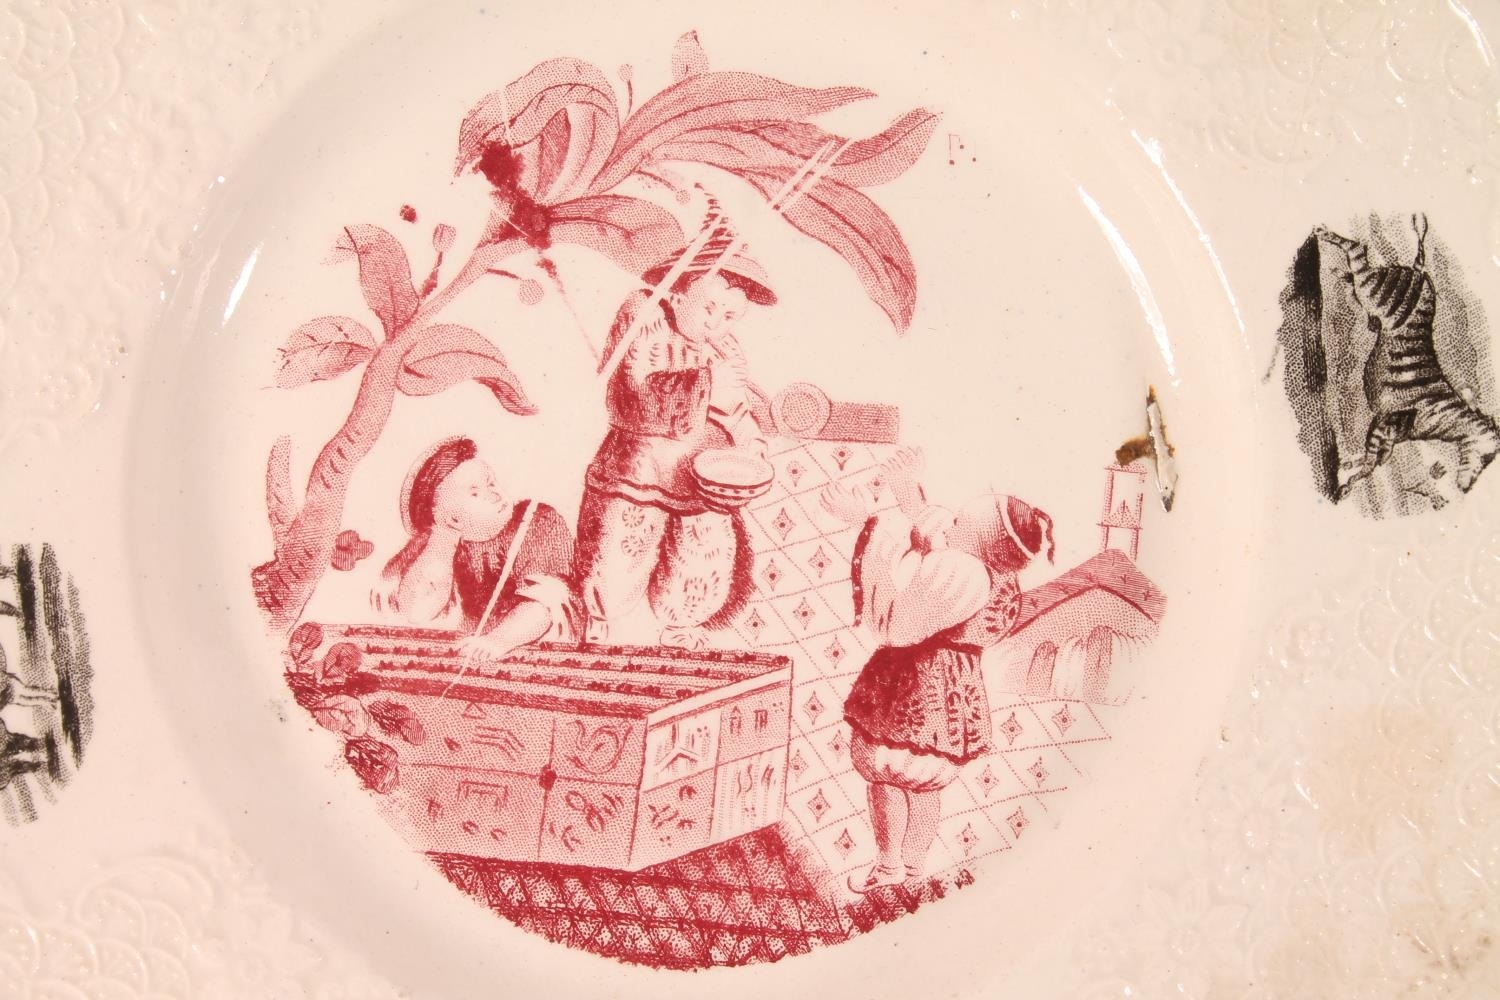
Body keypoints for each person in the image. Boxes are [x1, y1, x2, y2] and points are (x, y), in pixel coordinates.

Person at [822, 448, 1055, 891]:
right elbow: (936, 529)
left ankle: (892, 866)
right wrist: (905, 486)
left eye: (961, 523)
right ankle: (912, 868)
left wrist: (868, 522)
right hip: (954, 692)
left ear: (983, 543)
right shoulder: (993, 570)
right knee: (925, 785)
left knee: (888, 775)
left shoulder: (962, 572)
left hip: (914, 685)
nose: (949, 523)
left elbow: (894, 626)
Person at [575, 216, 775, 647]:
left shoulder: (725, 347)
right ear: (678, 292)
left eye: (729, 316)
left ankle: (681, 628)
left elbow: (737, 406)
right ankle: (600, 621)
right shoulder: (643, 316)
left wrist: (752, 444)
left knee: (698, 559)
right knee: (617, 560)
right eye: (708, 308)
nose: (716, 324)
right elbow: (632, 393)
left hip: (701, 477)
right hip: (638, 469)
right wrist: (705, 383)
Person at [375, 437, 581, 659]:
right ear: (453, 519)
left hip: (539, 654)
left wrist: (497, 641)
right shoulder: (439, 542)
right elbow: (417, 612)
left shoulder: (537, 522)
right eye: (475, 493)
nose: (495, 494)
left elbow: (544, 605)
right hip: (473, 655)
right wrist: (444, 539)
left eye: (490, 483)